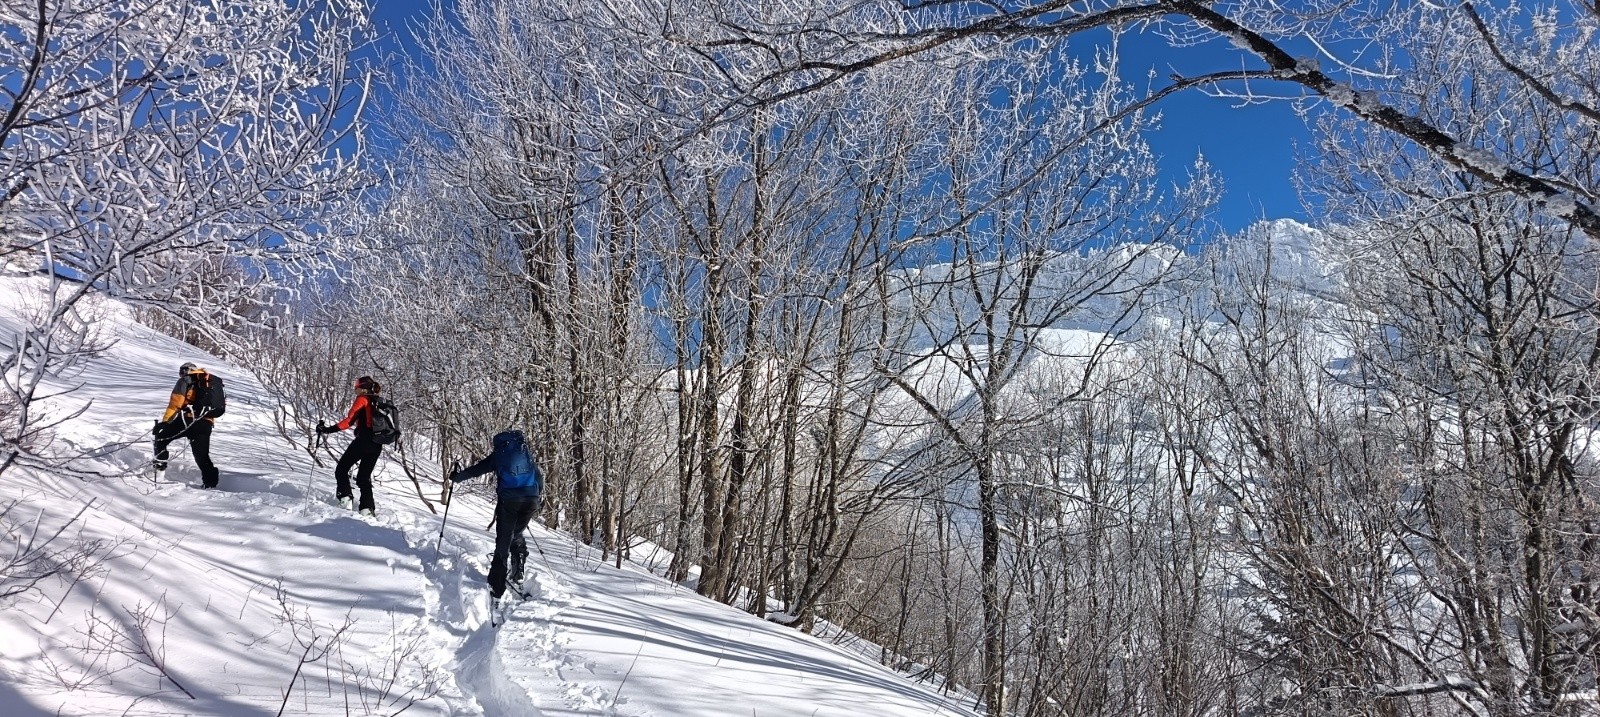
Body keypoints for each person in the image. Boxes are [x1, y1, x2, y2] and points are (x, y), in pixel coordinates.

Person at [450, 429, 544, 604]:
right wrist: (536, 496)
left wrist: (456, 478)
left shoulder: (499, 455)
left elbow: (476, 470)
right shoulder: (526, 454)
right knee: (516, 532)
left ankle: (496, 586)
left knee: (503, 541)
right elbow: (539, 477)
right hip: (531, 499)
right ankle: (519, 565)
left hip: (509, 501)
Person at [317, 376, 385, 517]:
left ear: (363, 388)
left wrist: (328, 429)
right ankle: (367, 509)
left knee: (341, 469)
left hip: (364, 440)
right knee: (363, 478)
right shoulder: (379, 401)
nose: (355, 388)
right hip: (377, 444)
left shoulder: (363, 399)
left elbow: (349, 421)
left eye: (356, 385)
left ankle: (345, 498)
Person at [154, 362, 221, 488]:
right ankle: (210, 484)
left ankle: (159, 469)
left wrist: (165, 423)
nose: (181, 375)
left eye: (182, 372)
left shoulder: (186, 380)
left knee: (161, 438)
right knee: (202, 456)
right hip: (206, 423)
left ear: (187, 370)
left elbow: (175, 404)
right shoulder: (209, 381)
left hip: (188, 420)